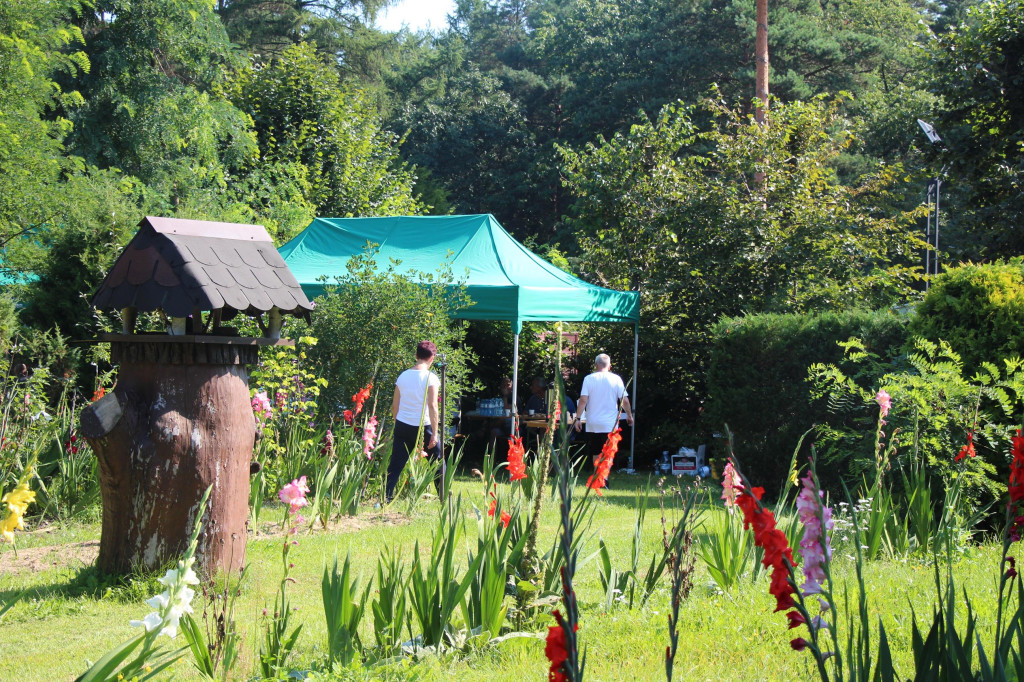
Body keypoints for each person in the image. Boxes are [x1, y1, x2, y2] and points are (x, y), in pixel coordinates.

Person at [388, 340, 442, 501]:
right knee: (437, 462)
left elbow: (394, 406)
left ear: (416, 355)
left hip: (403, 425)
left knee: (396, 464)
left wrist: (397, 424)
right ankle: (443, 497)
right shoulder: (431, 378)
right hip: (423, 426)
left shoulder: (402, 376)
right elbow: (433, 406)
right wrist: (435, 433)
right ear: (432, 358)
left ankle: (387, 496)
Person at [574, 353, 634, 467]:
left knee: (596, 451)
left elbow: (583, 400)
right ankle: (604, 479)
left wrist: (578, 418)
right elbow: (624, 401)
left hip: (593, 423)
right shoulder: (616, 379)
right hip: (610, 423)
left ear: (596, 365)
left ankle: (597, 478)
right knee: (608, 451)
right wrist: (629, 416)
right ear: (609, 366)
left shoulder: (588, 379)